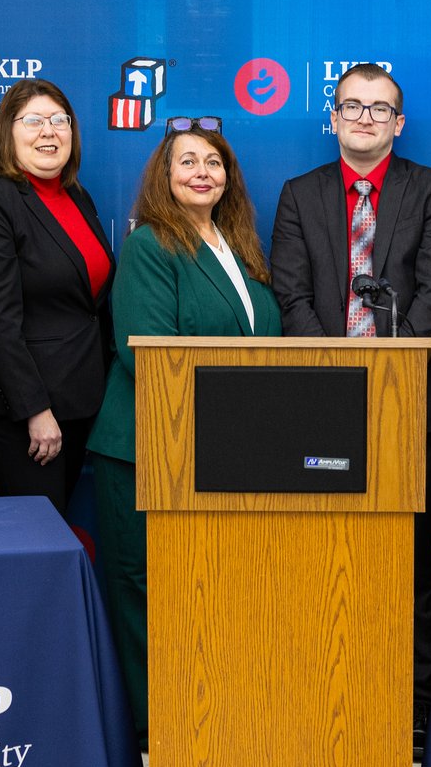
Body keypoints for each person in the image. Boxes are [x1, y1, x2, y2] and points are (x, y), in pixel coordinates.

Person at [269, 62, 431, 733]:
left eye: (380, 109)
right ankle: (328, 692)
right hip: (321, 403)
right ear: (333, 116)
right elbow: (290, 295)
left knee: (407, 557)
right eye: (352, 106)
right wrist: (337, 375)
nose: (364, 118)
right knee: (326, 555)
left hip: (408, 403)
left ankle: (418, 711)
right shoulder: (300, 194)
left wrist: (386, 373)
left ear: (399, 123)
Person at [88, 122, 284, 729]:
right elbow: (145, 352)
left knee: (206, 592)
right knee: (144, 589)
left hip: (221, 453)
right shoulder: (151, 244)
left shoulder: (241, 246)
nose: (202, 172)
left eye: (214, 162)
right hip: (146, 448)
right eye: (187, 162)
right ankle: (153, 726)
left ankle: (205, 712)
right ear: (163, 176)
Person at [0, 80, 113, 513]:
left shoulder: (77, 196)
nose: (49, 131)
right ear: (7, 131)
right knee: (41, 539)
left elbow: (88, 304)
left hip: (78, 402)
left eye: (60, 121)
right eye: (34, 121)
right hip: (23, 414)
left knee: (57, 526)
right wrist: (35, 411)